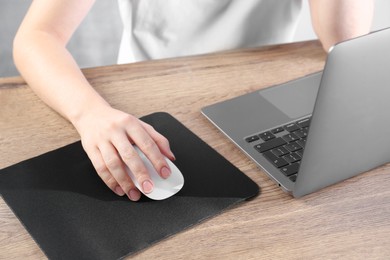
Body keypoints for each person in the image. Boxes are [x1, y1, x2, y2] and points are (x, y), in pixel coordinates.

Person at [13, 0, 374, 201]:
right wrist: (90, 113)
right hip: (149, 97)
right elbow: (37, 36)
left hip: (264, 90)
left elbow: (342, 39)